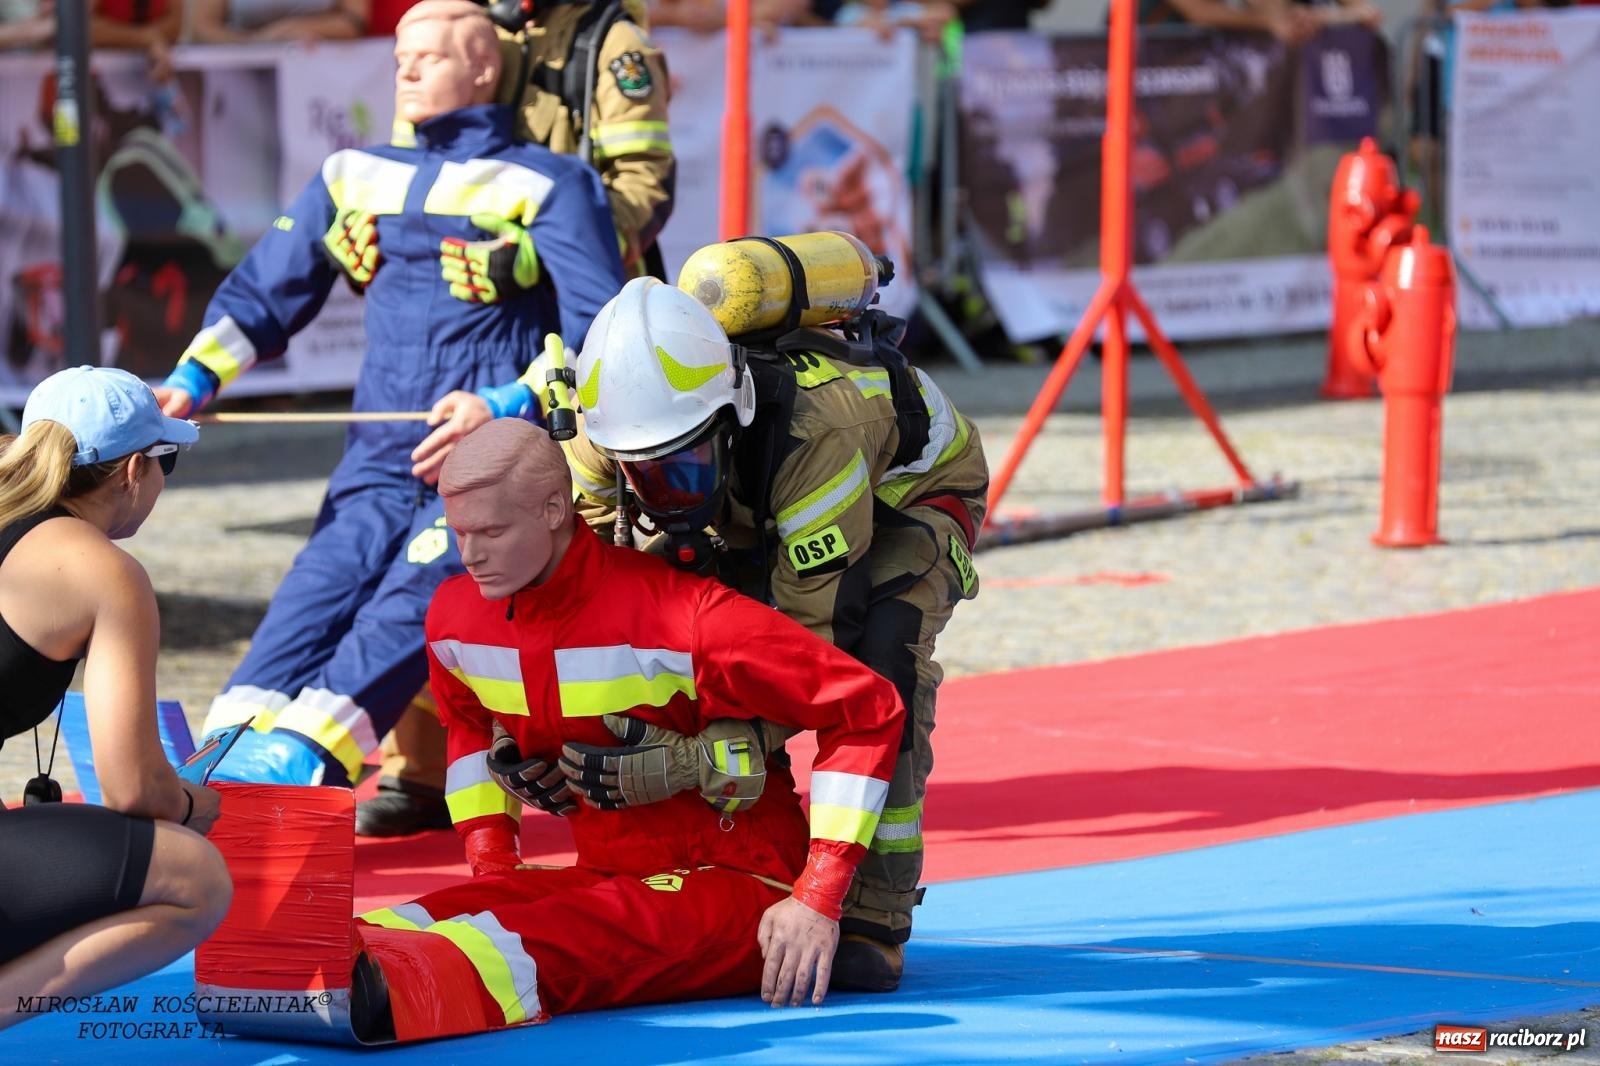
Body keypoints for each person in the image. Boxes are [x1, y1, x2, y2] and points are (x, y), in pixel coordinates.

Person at [156, 0, 626, 790]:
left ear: (482, 67)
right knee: (313, 593)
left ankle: (305, 760)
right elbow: (264, 290)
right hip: (375, 458)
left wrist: (506, 406)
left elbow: (604, 340)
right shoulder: (350, 173)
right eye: (401, 55)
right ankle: (223, 757)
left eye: (428, 56)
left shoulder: (551, 182)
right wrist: (191, 380)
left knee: (406, 603)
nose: (403, 69)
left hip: (486, 462)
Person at [346, 418, 902, 1039]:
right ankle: (298, 978)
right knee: (380, 929)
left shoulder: (683, 618)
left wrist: (817, 897)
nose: (470, 553)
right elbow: (469, 730)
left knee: (537, 941)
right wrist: (493, 869)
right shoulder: (456, 617)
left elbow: (867, 708)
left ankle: (378, 992)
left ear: (558, 508)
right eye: (459, 531)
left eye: (493, 531)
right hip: (607, 871)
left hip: (744, 881)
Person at [555, 272, 988, 993]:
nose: (672, 494)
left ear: (733, 414)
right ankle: (745, 856)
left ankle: (874, 912)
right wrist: (539, 729)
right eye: (650, 480)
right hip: (757, 503)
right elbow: (582, 598)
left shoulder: (819, 433)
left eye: (688, 467)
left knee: (884, 658)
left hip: (905, 497)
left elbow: (817, 649)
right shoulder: (609, 437)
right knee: (676, 629)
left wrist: (702, 757)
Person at [360, 0, 680, 836]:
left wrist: (534, 241)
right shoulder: (456, 29)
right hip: (466, 318)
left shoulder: (612, 45)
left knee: (573, 537)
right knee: (428, 536)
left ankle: (600, 754)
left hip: (567, 320)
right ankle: (422, 768)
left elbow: (644, 188)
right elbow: (415, 160)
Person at [0, 366, 230, 1032]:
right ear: (134, 470)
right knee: (197, 879)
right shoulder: (105, 573)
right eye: (168, 466)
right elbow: (133, 790)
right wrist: (192, 801)